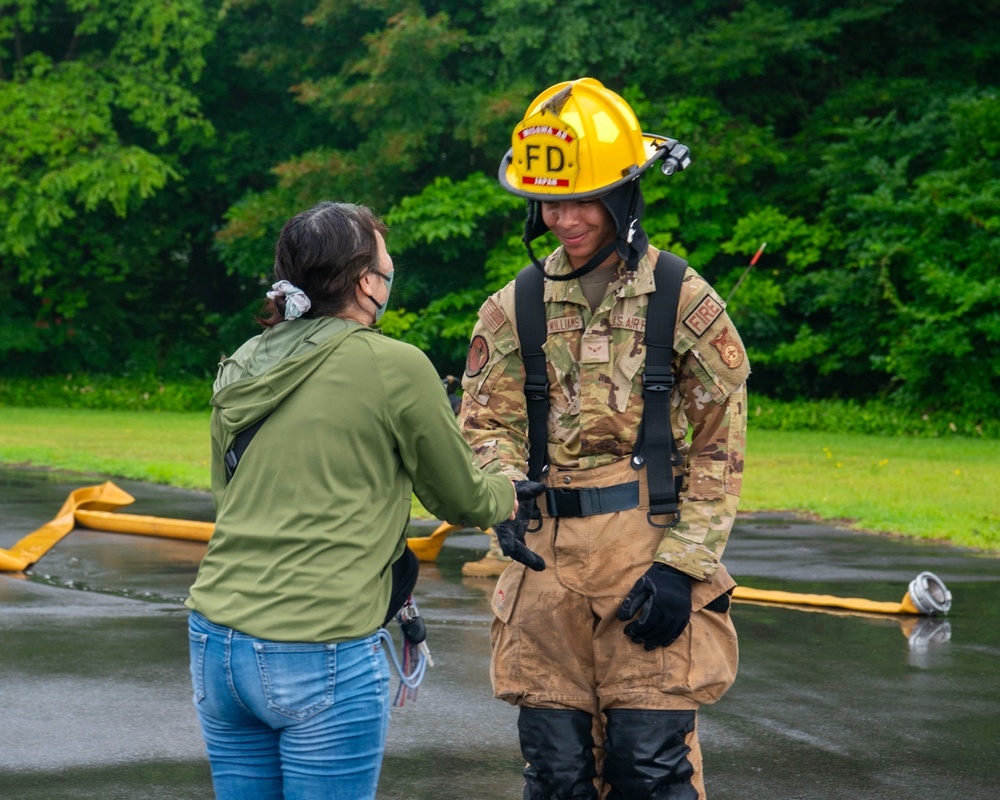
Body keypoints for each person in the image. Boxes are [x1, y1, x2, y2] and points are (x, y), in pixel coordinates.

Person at [459, 78, 749, 799]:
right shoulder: (510, 309)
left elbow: (719, 446)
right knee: (555, 776)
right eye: (549, 202)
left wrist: (684, 567)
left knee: (647, 772)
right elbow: (482, 424)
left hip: (647, 547)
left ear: (623, 198)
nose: (562, 219)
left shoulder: (686, 298)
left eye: (582, 200)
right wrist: (505, 498)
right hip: (544, 564)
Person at [185, 201, 517, 800]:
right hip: (320, 644)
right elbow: (460, 497)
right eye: (385, 265)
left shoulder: (241, 362)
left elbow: (227, 497)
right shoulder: (394, 365)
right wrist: (507, 493)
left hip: (216, 641)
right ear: (367, 280)